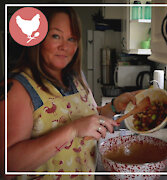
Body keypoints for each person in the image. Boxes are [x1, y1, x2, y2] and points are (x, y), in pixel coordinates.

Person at [0, 7, 139, 179]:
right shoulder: (18, 88)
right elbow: (7, 166)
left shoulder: (75, 77)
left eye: (72, 38)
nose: (65, 46)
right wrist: (72, 130)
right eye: (56, 36)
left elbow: (89, 117)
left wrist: (114, 106)